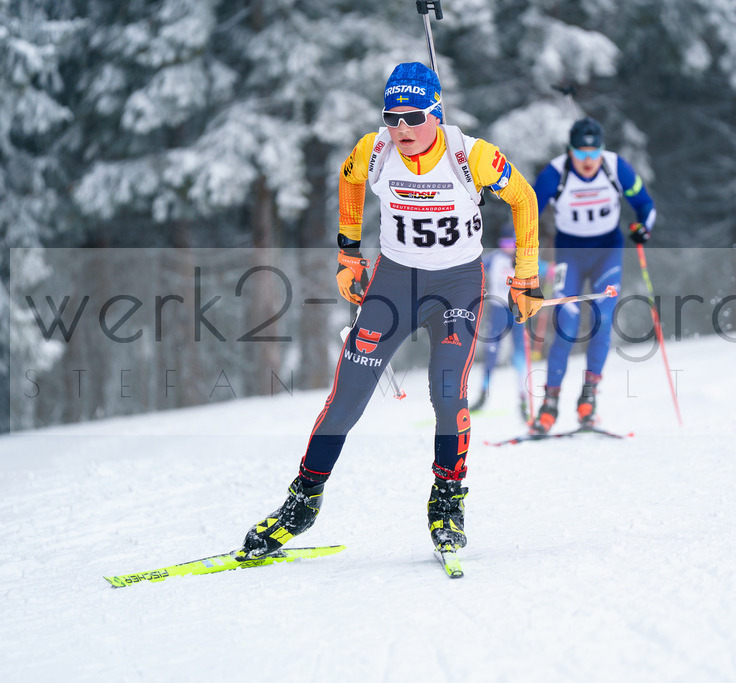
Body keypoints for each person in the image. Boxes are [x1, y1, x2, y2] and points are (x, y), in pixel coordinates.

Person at [239, 63, 543, 562]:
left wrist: (526, 276)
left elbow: (524, 199)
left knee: (447, 391)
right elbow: (349, 181)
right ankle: (303, 502)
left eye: (413, 117)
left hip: (456, 286)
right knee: (348, 396)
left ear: (436, 114)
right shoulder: (375, 149)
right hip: (394, 284)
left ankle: (447, 501)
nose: (401, 128)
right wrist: (348, 253)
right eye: (391, 116)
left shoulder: (473, 156)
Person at [530, 116, 656, 434]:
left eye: (593, 153)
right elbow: (526, 210)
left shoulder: (616, 168)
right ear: (570, 151)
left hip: (607, 253)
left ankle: (588, 400)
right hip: (569, 254)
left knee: (601, 319)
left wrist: (644, 228)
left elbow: (646, 205)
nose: (588, 161)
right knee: (567, 324)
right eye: (581, 154)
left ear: (602, 150)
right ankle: (550, 403)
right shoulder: (555, 173)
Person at [471, 225, 529, 420]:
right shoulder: (494, 259)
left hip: (517, 310)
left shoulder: (523, 259)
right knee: (491, 352)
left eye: (510, 243)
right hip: (497, 310)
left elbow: (542, 268)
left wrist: (553, 271)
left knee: (520, 353)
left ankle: (523, 398)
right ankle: (482, 395)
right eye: (503, 243)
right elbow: (474, 265)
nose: (507, 247)